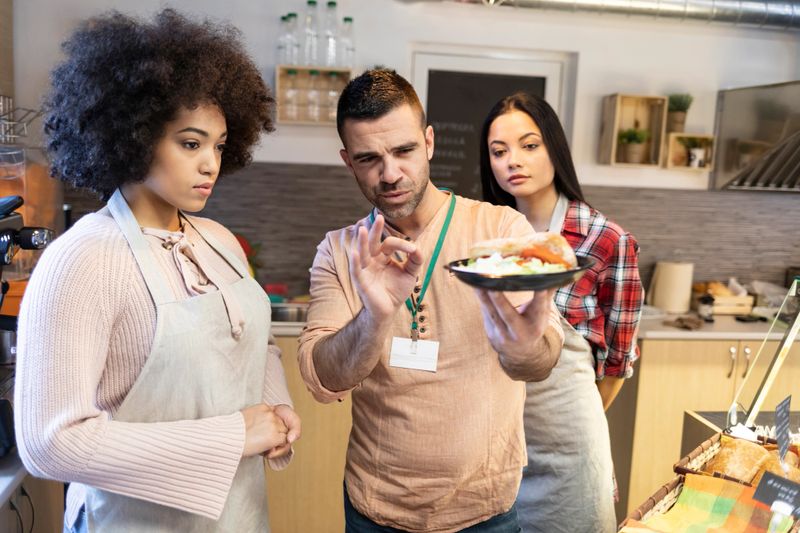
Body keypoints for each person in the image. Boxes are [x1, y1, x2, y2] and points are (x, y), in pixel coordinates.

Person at [14, 10, 300, 533]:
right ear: (135, 136)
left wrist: (275, 408)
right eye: (190, 144)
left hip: (239, 516)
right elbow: (49, 444)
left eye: (217, 145)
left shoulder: (218, 242)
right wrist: (234, 434)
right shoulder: (83, 260)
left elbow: (256, 345)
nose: (210, 163)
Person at [297, 68, 565, 533]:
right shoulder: (340, 251)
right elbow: (324, 377)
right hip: (377, 508)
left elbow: (539, 360)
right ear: (348, 161)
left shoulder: (501, 232)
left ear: (430, 143)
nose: (391, 173)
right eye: (368, 158)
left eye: (404, 151)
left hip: (486, 508)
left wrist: (524, 350)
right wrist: (374, 318)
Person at [480, 92, 644, 532]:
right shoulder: (486, 237)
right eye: (499, 151)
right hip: (492, 445)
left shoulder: (605, 240)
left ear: (554, 147)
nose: (513, 160)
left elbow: (616, 367)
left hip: (568, 450)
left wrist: (565, 425)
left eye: (529, 145)